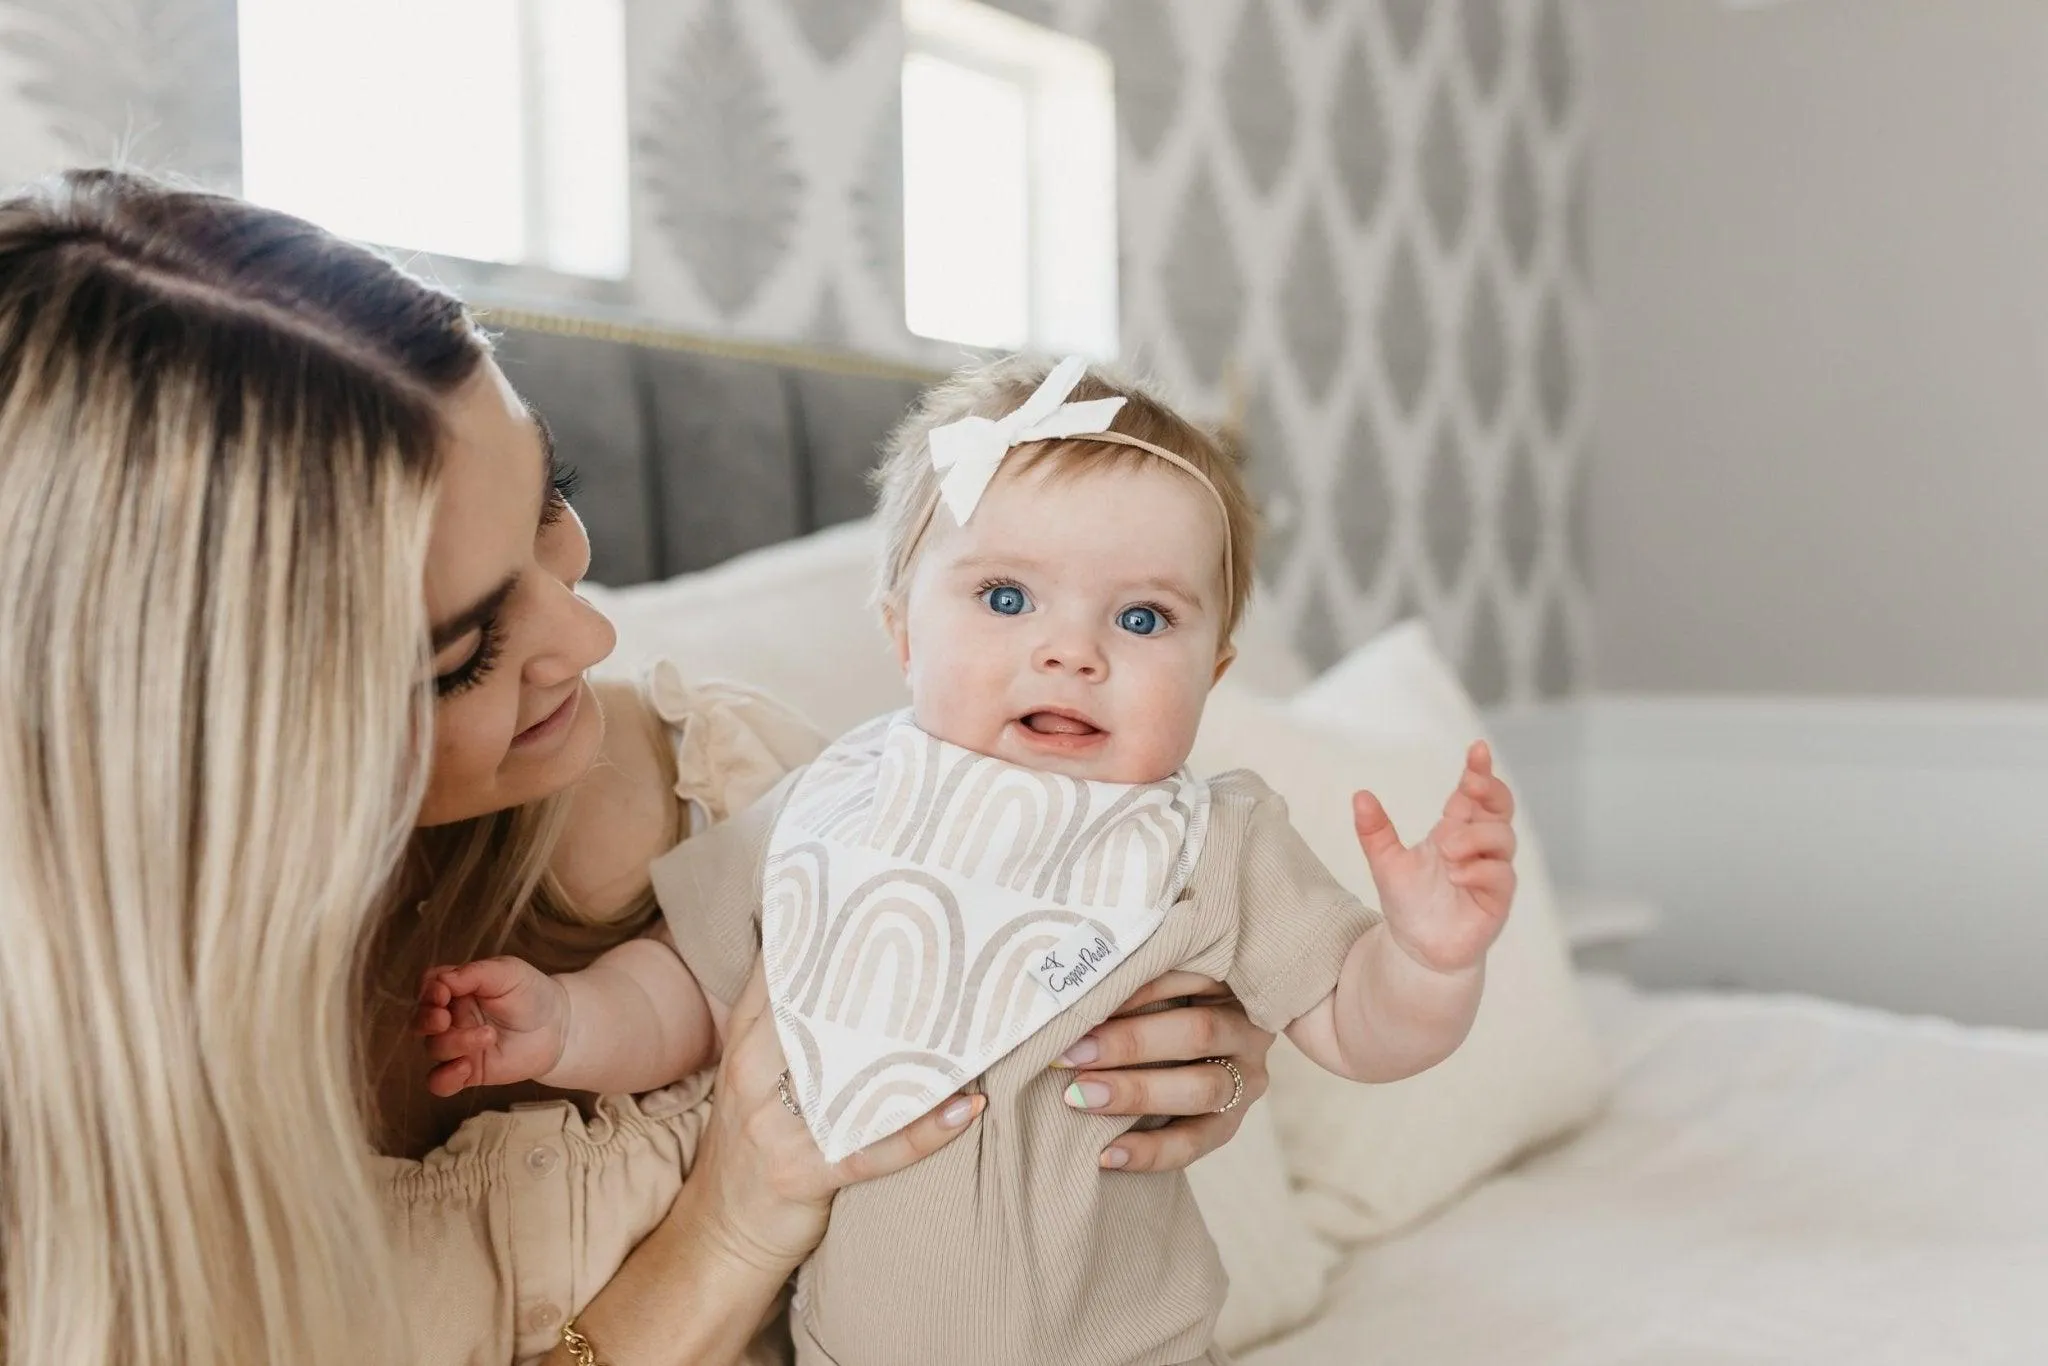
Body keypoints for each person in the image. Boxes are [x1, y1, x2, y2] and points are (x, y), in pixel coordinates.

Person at [0, 170, 1283, 1366]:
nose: (591, 634)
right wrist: (724, 1230)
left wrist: (1176, 1071)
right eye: (462, 651)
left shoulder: (718, 783)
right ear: (228, 745)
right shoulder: (70, 1165)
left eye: (546, 503)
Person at [416, 356, 1522, 1365]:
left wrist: (1424, 961)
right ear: (900, 631)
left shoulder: (1210, 840)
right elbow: (691, 988)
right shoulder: (835, 803)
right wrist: (563, 1024)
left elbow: (1356, 1024)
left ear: (1214, 668)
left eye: (1141, 618)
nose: (1070, 649)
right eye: (1005, 598)